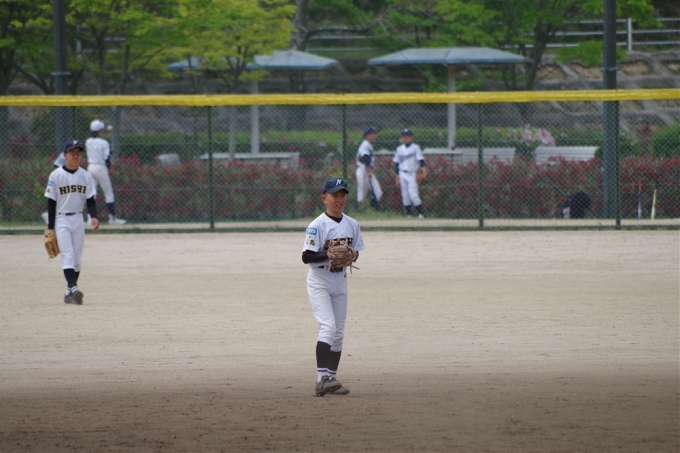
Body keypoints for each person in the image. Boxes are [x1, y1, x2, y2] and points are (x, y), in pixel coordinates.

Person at [302, 177, 364, 396]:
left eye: (343, 195)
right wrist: (329, 254)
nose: (340, 199)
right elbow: (307, 257)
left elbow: (356, 252)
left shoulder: (352, 224)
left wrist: (351, 255)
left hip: (340, 279)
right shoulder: (317, 225)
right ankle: (321, 379)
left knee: (338, 332)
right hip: (320, 280)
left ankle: (331, 379)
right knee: (328, 327)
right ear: (324, 198)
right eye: (334, 195)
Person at [44, 139, 100, 304]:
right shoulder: (56, 175)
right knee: (68, 256)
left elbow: (90, 200)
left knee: (77, 259)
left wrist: (94, 216)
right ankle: (75, 289)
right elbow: (51, 202)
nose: (76, 155)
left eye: (78, 152)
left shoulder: (85, 175)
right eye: (72, 152)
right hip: (61, 219)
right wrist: (51, 228)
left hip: (78, 218)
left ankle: (69, 292)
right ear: (65, 155)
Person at [86, 119, 126, 225]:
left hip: (90, 167)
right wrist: (109, 167)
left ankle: (90, 218)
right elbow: (106, 158)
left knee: (91, 194)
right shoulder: (104, 143)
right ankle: (112, 219)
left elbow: (95, 150)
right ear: (99, 131)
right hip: (100, 167)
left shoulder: (88, 141)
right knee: (109, 193)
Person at [393, 128, 428, 218]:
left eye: (408, 136)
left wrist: (424, 171)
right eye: (404, 136)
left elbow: (421, 160)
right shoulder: (399, 149)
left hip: (412, 173)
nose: (406, 138)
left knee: (413, 194)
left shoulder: (415, 148)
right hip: (402, 173)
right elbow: (396, 164)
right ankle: (409, 214)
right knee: (405, 195)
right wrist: (397, 177)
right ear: (402, 138)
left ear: (412, 137)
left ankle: (420, 213)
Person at [355, 126, 383, 210]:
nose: (375, 136)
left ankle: (372, 207)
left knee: (378, 192)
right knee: (362, 190)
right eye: (373, 134)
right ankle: (359, 209)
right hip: (363, 169)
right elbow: (364, 158)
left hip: (367, 169)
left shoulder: (368, 145)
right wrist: (369, 171)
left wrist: (370, 169)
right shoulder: (365, 144)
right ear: (368, 135)